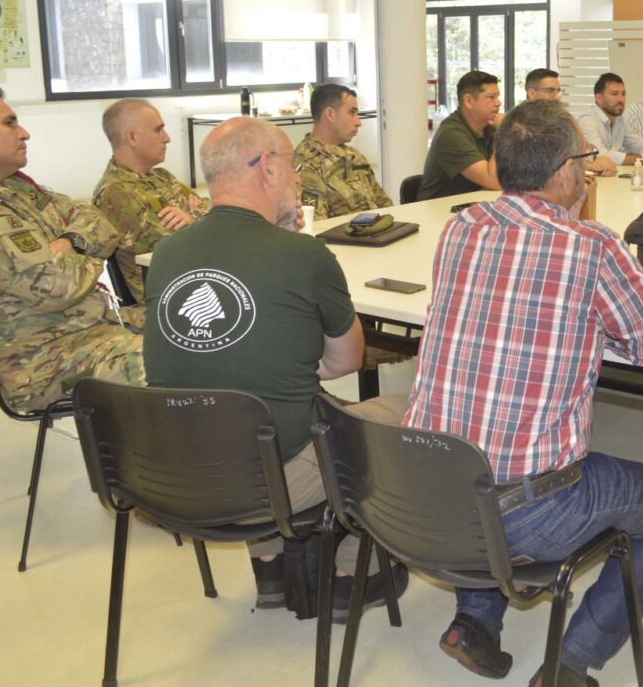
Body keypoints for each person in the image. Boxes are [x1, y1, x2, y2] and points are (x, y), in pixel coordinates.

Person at [405, 100, 643, 687]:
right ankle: (571, 663)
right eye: (583, 162)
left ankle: (474, 622)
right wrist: (584, 226)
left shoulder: (460, 227)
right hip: (531, 511)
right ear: (566, 170)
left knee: (479, 438)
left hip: (429, 486)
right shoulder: (591, 246)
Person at [143, 116, 408, 614]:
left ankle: (271, 568)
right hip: (270, 480)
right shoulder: (304, 256)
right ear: (266, 168)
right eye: (292, 164)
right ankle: (354, 571)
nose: (297, 176)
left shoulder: (166, 253)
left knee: (237, 406)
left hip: (177, 473)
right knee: (409, 415)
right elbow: (345, 362)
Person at [0, 86, 144, 410]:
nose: (25, 133)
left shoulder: (10, 186)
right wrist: (78, 250)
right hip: (47, 361)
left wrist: (69, 243)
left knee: (209, 326)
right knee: (182, 362)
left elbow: (96, 219)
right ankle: (166, 457)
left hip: (93, 326)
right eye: (9, 123)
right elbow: (59, 286)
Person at [93, 99, 209, 303]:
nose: (167, 138)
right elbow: (185, 245)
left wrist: (194, 216)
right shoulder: (117, 193)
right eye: (158, 130)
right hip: (171, 295)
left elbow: (208, 207)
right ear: (132, 137)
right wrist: (197, 217)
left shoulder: (162, 177)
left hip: (196, 278)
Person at [296, 83, 392, 219]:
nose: (359, 122)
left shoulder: (354, 156)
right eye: (351, 112)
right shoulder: (308, 166)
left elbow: (385, 206)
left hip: (377, 234)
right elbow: (316, 227)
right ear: (330, 114)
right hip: (346, 239)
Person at [420, 70, 502, 200]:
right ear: (468, 101)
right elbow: (494, 181)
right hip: (439, 211)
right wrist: (504, 133)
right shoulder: (450, 134)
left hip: (474, 204)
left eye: (497, 96)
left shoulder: (489, 127)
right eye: (491, 97)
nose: (498, 103)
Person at [575, 72, 643, 166]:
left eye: (623, 94)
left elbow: (639, 145)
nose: (621, 99)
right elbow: (599, 155)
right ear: (599, 98)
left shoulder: (619, 120)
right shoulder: (587, 120)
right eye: (614, 94)